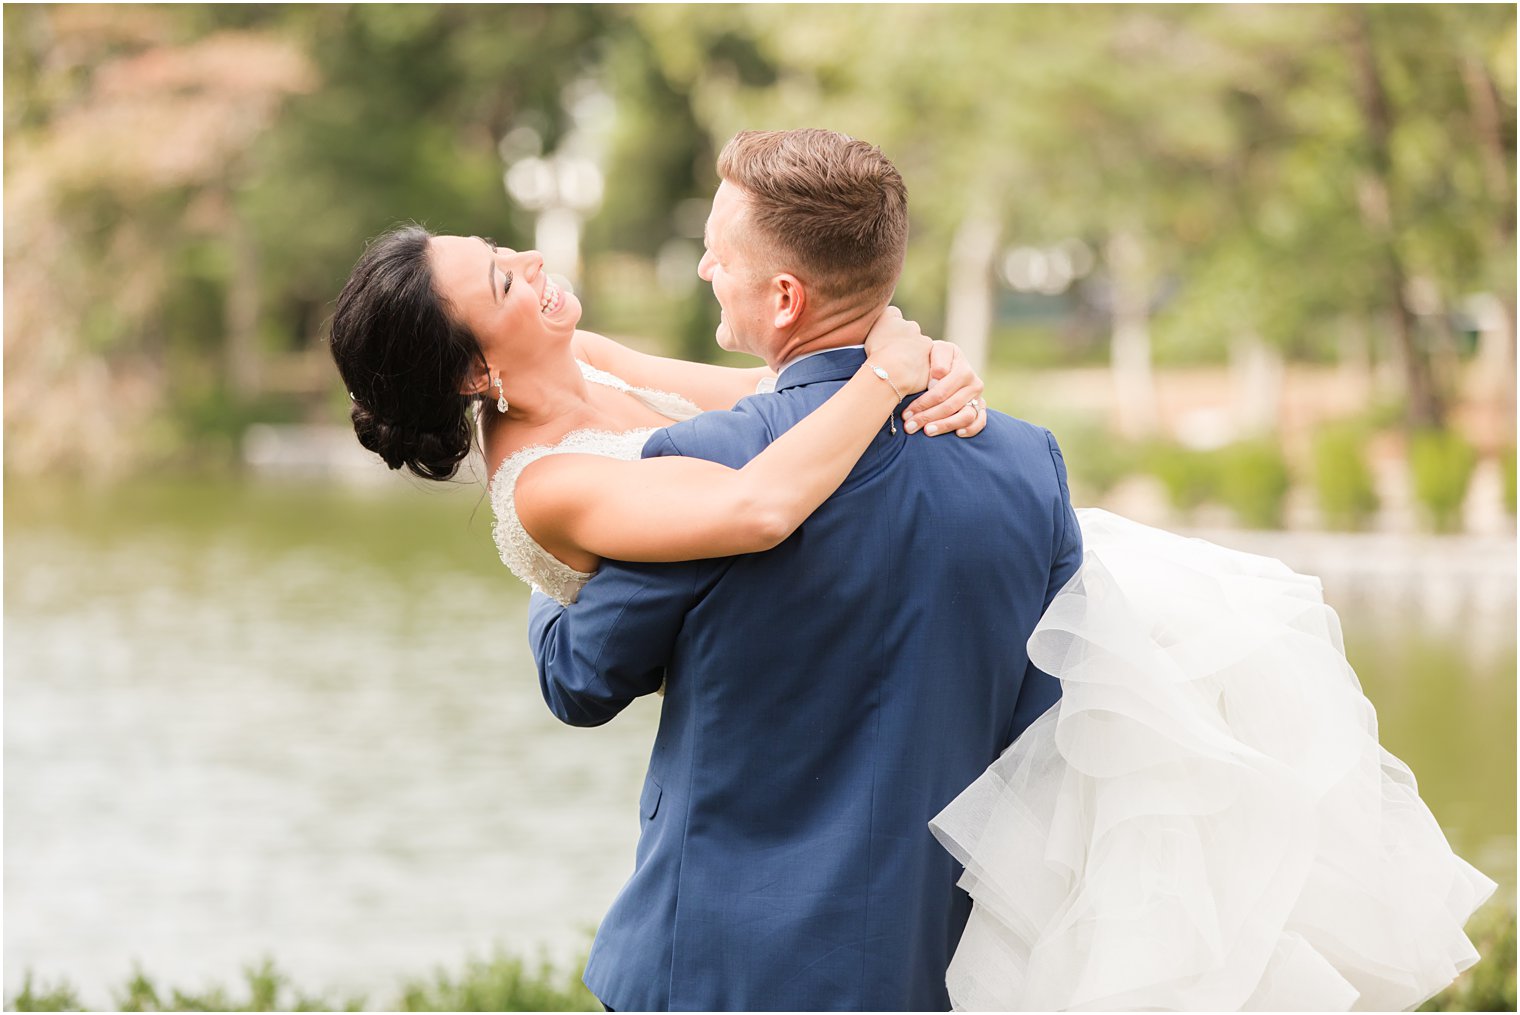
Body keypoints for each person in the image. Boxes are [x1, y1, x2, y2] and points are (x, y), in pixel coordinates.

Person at [523, 129, 1083, 1012]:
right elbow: (1039, 729)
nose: (707, 268)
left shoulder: (701, 464)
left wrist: (546, 515)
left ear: (784, 296)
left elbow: (578, 678)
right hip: (928, 973)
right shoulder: (1025, 463)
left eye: (718, 254)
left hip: (714, 971)